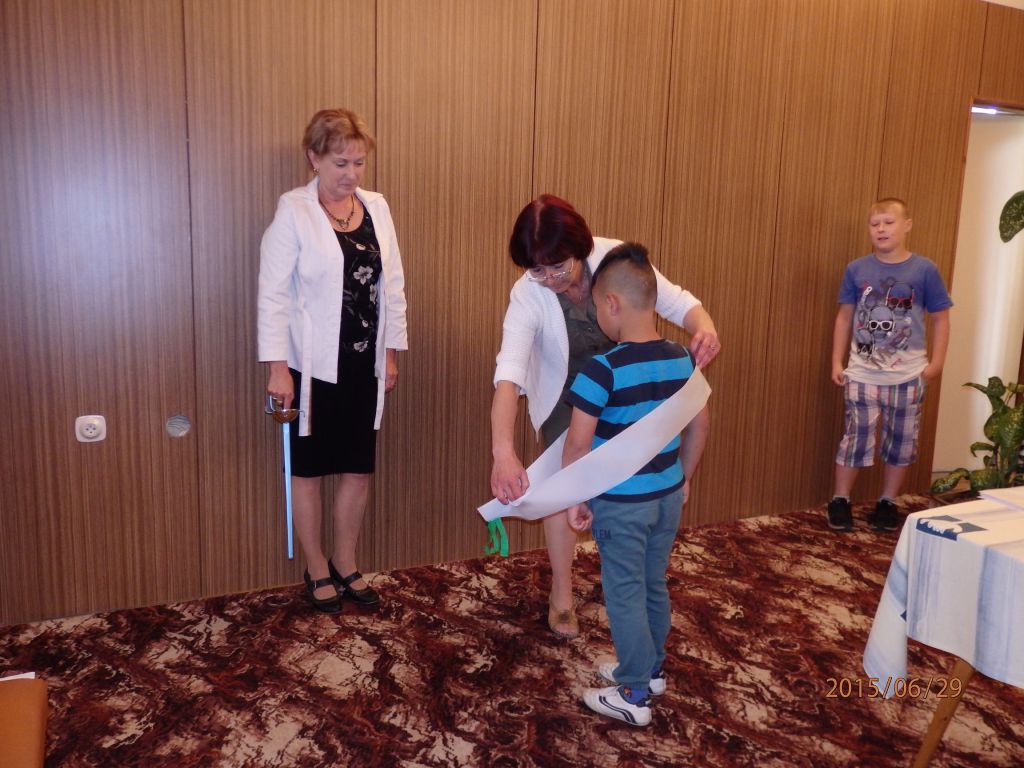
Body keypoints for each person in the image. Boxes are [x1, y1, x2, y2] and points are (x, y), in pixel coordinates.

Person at [491, 195, 720, 639]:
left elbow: (678, 303)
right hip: (567, 392)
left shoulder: (615, 260)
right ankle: (562, 593)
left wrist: (704, 327)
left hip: (624, 381)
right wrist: (503, 451)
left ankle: (633, 569)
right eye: (537, 269)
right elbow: (509, 373)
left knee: (639, 483)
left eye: (558, 267)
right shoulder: (528, 293)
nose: (549, 278)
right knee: (564, 482)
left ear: (580, 248)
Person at [257, 108, 408, 613]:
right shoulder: (294, 210)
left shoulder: (377, 207)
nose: (351, 174)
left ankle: (346, 560)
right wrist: (278, 368)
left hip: (364, 364)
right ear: (314, 158)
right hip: (312, 367)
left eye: (359, 163)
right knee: (310, 470)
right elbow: (273, 295)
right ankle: (317, 565)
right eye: (341, 163)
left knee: (357, 468)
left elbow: (393, 286)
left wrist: (390, 353)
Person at [561, 242, 710, 726]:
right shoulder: (683, 360)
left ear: (612, 304)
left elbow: (577, 445)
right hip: (666, 497)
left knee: (623, 590)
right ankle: (651, 668)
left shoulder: (601, 370)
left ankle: (633, 692)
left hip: (621, 505)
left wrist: (575, 496)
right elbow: (700, 425)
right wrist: (685, 477)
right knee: (652, 582)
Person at [827, 198, 951, 532]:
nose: (881, 229)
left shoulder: (925, 270)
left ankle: (887, 501)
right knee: (855, 437)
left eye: (889, 222)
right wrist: (837, 360)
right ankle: (840, 499)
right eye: (875, 224)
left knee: (902, 440)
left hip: (909, 375)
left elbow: (940, 319)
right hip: (862, 372)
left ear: (907, 225)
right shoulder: (857, 269)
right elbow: (844, 317)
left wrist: (936, 364)